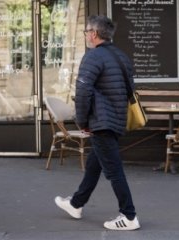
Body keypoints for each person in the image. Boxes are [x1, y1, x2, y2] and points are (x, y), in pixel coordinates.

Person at [54, 15, 140, 231]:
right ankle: (76, 204)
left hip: (101, 122)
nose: (85, 35)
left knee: (114, 171)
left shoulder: (92, 57)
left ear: (93, 33)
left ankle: (129, 216)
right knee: (95, 164)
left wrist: (82, 121)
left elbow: (82, 93)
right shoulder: (121, 56)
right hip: (116, 120)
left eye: (85, 32)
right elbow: (129, 89)